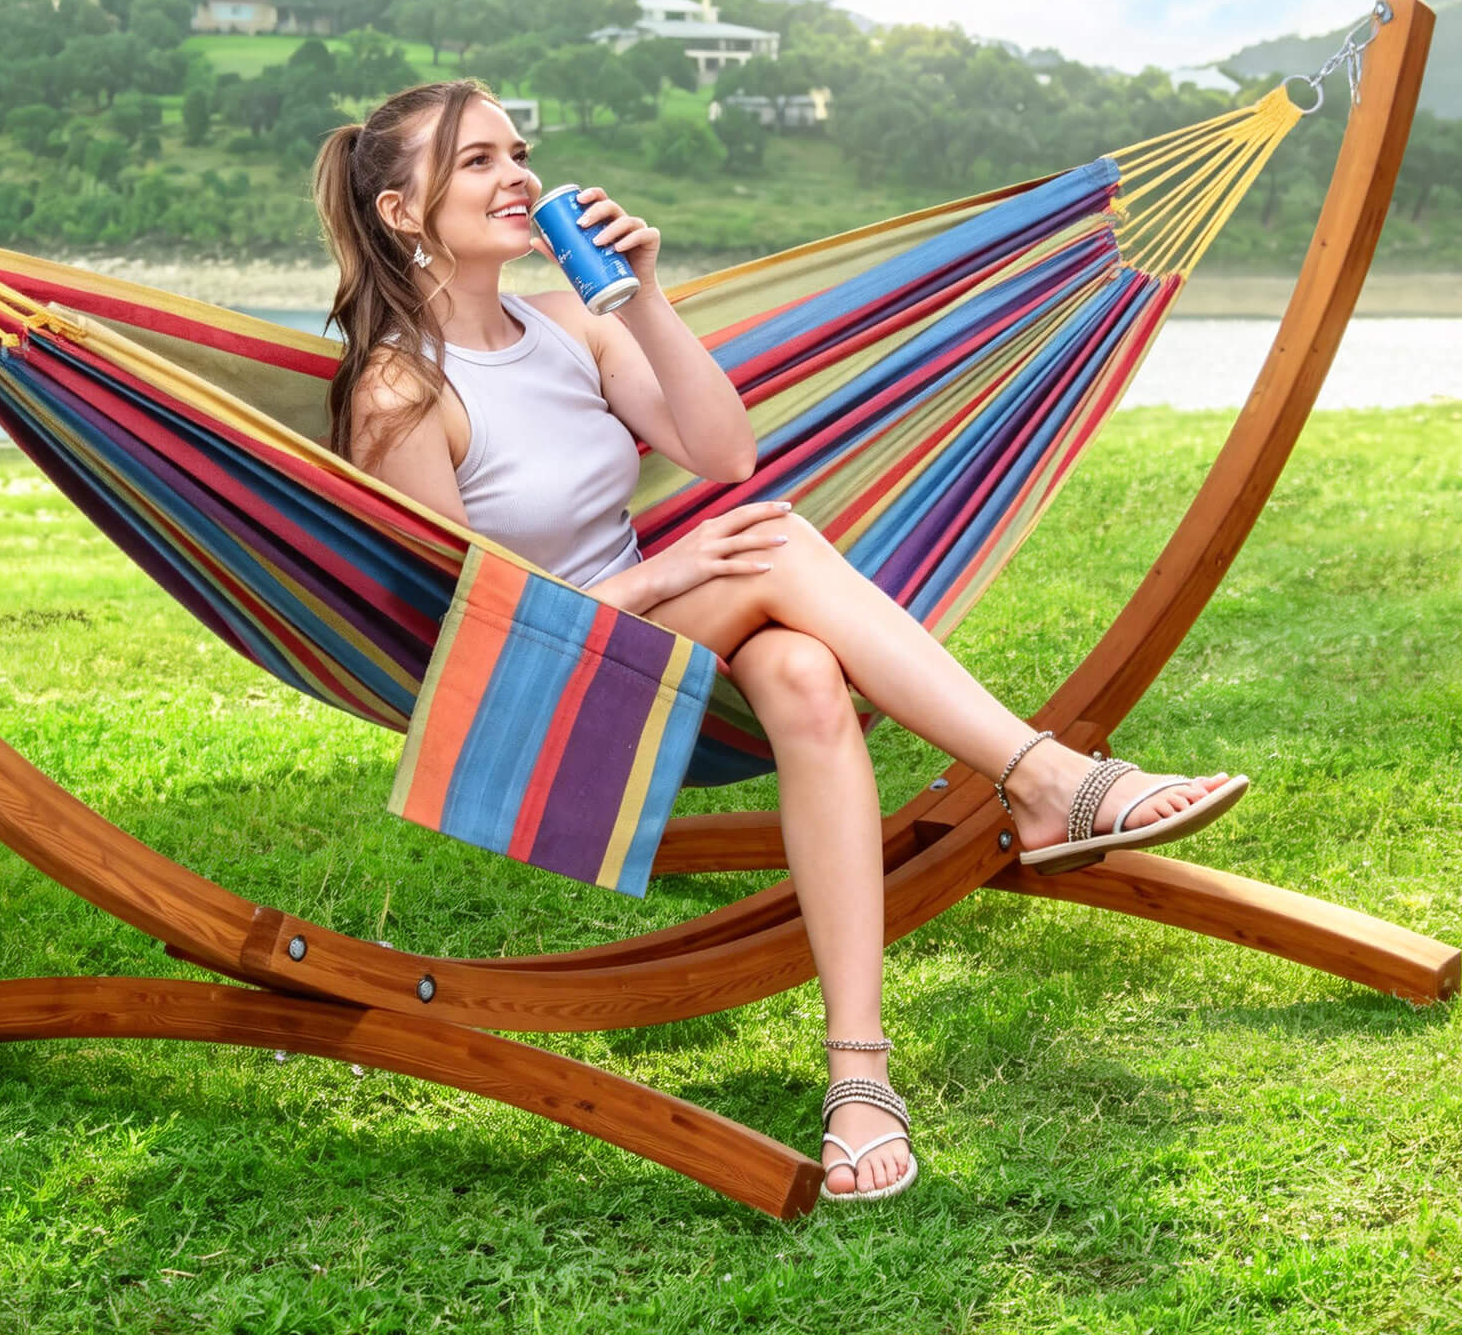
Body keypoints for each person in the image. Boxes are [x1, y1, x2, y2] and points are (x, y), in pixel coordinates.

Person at [313, 78, 1248, 1203]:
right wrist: (668, 571)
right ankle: (1045, 777)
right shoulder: (402, 389)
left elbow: (723, 453)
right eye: (474, 160)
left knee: (804, 673)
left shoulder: (570, 329)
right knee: (772, 544)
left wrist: (642, 297)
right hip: (544, 681)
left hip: (661, 636)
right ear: (400, 211)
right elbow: (474, 621)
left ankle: (859, 1073)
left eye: (517, 150)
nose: (515, 174)